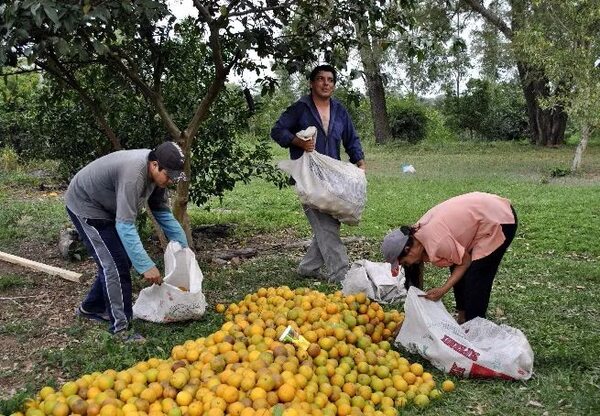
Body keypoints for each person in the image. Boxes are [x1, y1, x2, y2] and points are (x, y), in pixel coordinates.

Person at [65, 141, 189, 342]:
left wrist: (184, 246)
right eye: (169, 176)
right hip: (86, 205)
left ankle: (91, 307)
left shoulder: (157, 178)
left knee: (119, 260)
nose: (171, 181)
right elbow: (125, 226)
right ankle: (121, 329)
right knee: (114, 265)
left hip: (107, 206)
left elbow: (162, 212)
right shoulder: (134, 175)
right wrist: (146, 265)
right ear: (155, 164)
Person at [271, 64, 366, 282]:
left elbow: (351, 139)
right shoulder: (300, 108)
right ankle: (341, 274)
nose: (326, 83)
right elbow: (277, 130)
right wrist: (297, 141)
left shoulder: (339, 110)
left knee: (330, 222)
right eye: (321, 79)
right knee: (326, 225)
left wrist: (360, 162)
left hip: (332, 176)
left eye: (330, 80)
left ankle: (308, 267)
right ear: (312, 83)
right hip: (308, 176)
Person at [381, 192, 518, 323]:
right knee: (456, 264)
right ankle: (463, 318)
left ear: (407, 249)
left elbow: (465, 262)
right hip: (482, 212)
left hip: (498, 219)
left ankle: (475, 327)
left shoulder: (437, 242)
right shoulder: (414, 235)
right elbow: (416, 272)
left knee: (476, 277)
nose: (409, 265)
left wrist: (443, 289)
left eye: (405, 262)